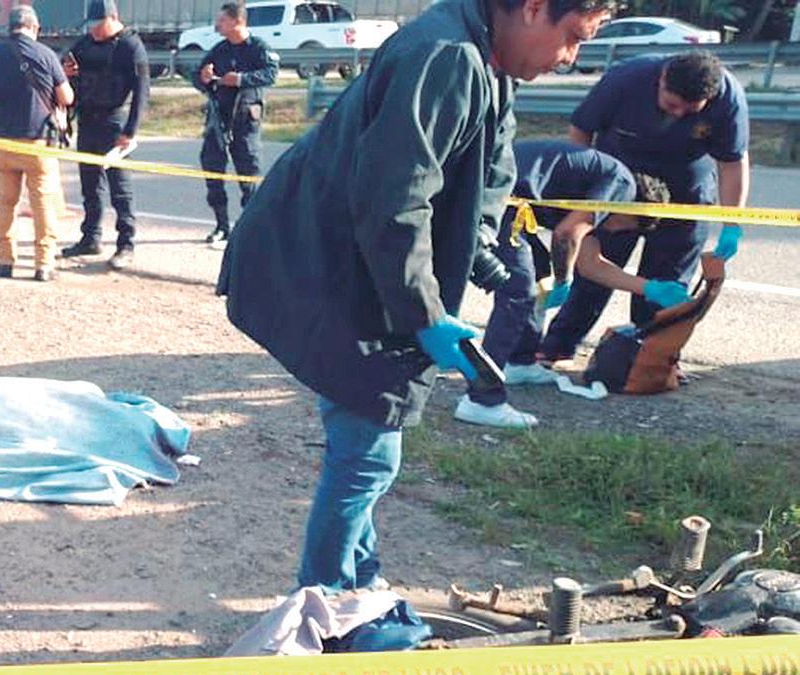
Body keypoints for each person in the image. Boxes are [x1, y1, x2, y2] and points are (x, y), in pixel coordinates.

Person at [218, 0, 613, 592]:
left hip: (360, 265)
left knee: (361, 439)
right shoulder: (446, 56)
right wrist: (425, 313)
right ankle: (325, 608)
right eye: (573, 38)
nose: (570, 58)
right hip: (334, 262)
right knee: (368, 454)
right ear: (534, 8)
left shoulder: (490, 59)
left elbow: (489, 170)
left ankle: (360, 584)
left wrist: (481, 249)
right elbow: (394, 202)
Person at [540, 51, 749, 362]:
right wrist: (583, 190)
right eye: (672, 105)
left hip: (685, 195)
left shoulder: (728, 98)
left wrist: (732, 223)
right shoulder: (626, 80)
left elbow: (732, 162)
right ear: (662, 80)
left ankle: (651, 358)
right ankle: (558, 346)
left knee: (668, 284)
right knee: (594, 276)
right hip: (620, 189)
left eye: (689, 110)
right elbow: (581, 131)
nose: (678, 114)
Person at [458, 140, 683, 428]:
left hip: (501, 192)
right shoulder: (621, 186)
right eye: (626, 226)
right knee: (519, 291)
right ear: (632, 208)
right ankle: (481, 399)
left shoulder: (597, 188)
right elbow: (566, 235)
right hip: (493, 193)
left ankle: (519, 361)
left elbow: (590, 264)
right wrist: (563, 278)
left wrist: (648, 287)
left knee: (537, 273)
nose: (617, 231)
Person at [0, 5, 74, 282]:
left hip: (4, 142)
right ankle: (43, 265)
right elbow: (66, 97)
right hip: (37, 142)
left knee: (6, 202)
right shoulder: (46, 54)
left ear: (10, 27)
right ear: (34, 27)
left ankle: (5, 261)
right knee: (42, 204)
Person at [59, 0, 149, 271]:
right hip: (88, 121)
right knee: (90, 185)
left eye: (99, 25)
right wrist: (65, 70)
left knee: (120, 188)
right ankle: (91, 237)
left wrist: (130, 131)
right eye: (91, 26)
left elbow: (142, 93)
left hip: (114, 122)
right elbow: (64, 65)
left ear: (113, 18)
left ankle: (126, 244)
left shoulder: (130, 46)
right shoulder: (85, 44)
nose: (94, 31)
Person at [193, 3, 278, 247]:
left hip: (245, 121)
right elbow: (197, 76)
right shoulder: (219, 50)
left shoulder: (258, 48)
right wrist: (204, 78)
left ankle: (250, 228)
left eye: (222, 20)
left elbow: (271, 73)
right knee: (212, 169)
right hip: (219, 120)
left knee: (248, 174)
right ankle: (221, 225)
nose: (217, 24)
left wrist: (241, 79)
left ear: (237, 21)